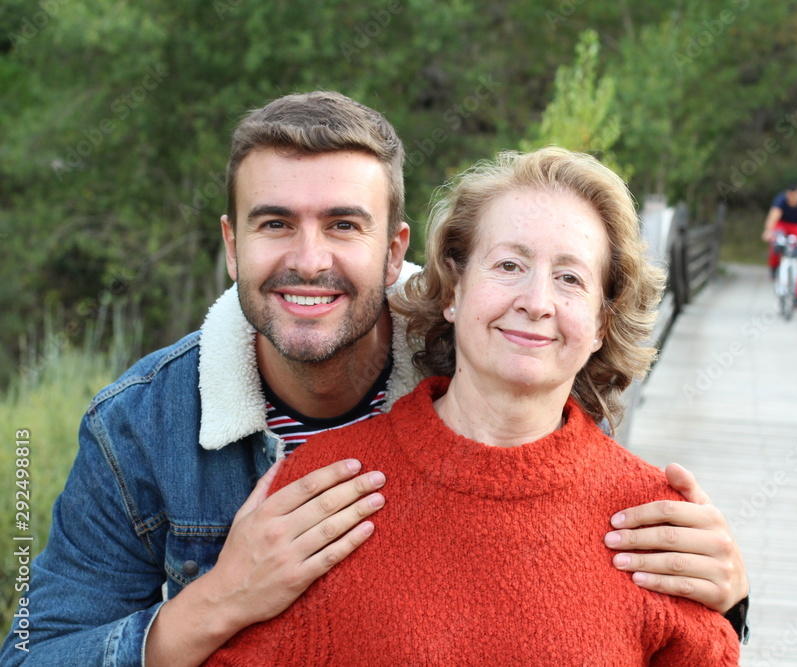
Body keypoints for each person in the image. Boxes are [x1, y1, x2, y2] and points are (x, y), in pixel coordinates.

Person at [1, 92, 748, 667]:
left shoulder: (495, 356)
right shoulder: (138, 425)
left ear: (397, 254)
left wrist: (729, 597)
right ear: (232, 246)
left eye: (343, 225)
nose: (310, 260)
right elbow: (34, 653)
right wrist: (219, 601)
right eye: (273, 224)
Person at [208, 147, 742, 665]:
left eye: (570, 278)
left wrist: (734, 599)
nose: (536, 302)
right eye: (509, 265)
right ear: (453, 289)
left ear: (602, 323)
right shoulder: (323, 488)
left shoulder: (653, 525)